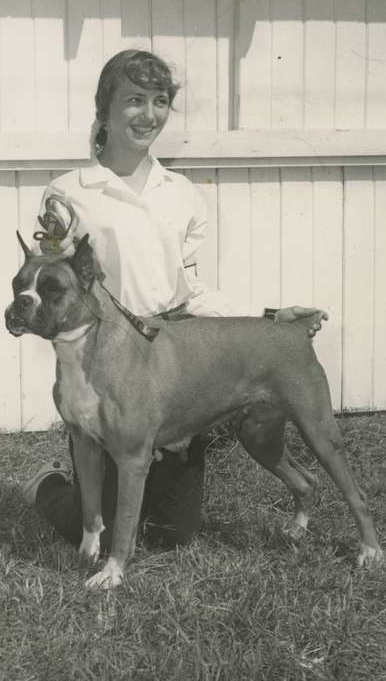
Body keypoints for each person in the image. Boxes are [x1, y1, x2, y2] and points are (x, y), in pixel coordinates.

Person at [22, 49, 325, 552]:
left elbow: (191, 290)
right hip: (109, 369)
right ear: (105, 110)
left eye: (160, 101)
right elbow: (54, 287)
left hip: (171, 367)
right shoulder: (68, 192)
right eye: (134, 100)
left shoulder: (181, 192)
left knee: (170, 536)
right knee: (90, 523)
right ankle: (53, 486)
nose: (149, 114)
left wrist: (271, 318)